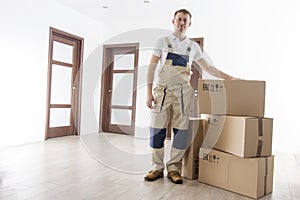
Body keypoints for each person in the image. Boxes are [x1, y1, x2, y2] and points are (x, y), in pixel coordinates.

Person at [144, 8, 239, 184]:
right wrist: (148, 92)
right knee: (156, 130)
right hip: (162, 92)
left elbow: (209, 68)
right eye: (179, 19)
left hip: (183, 93)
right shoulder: (162, 41)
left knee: (181, 132)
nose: (181, 23)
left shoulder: (193, 47)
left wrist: (230, 77)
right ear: (173, 21)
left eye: (185, 20)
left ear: (189, 24)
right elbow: (151, 67)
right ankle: (156, 168)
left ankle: (174, 168)